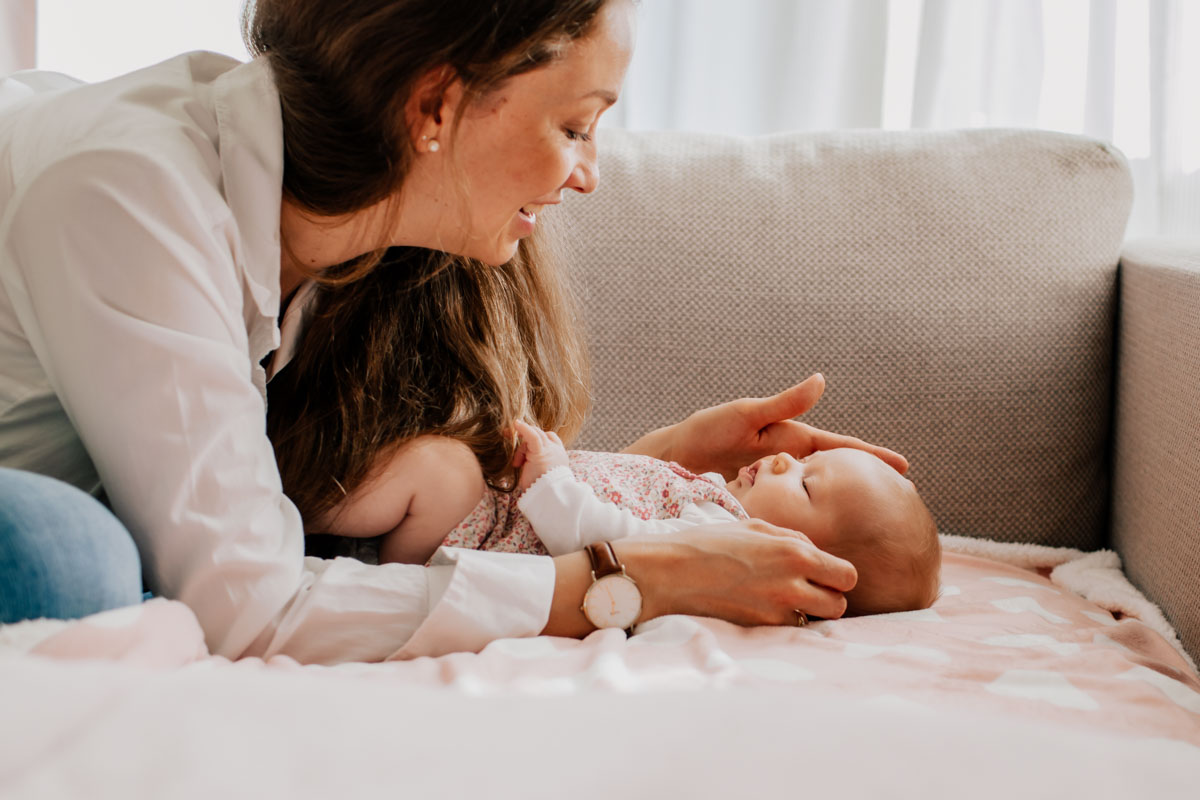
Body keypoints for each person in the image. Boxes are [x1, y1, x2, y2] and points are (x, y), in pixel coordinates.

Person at [0, 0, 908, 664]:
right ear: (435, 106)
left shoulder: (358, 239)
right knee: (71, 560)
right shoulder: (133, 194)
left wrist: (658, 473)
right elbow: (250, 606)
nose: (589, 173)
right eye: (575, 125)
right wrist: (627, 580)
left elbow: (347, 531)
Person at [307, 421, 941, 618]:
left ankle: (289, 511)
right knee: (430, 464)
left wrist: (550, 479)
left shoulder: (721, 535)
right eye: (803, 460)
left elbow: (609, 546)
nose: (783, 459)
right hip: (485, 515)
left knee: (436, 469)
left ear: (795, 553)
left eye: (804, 483)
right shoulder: (707, 502)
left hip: (479, 537)